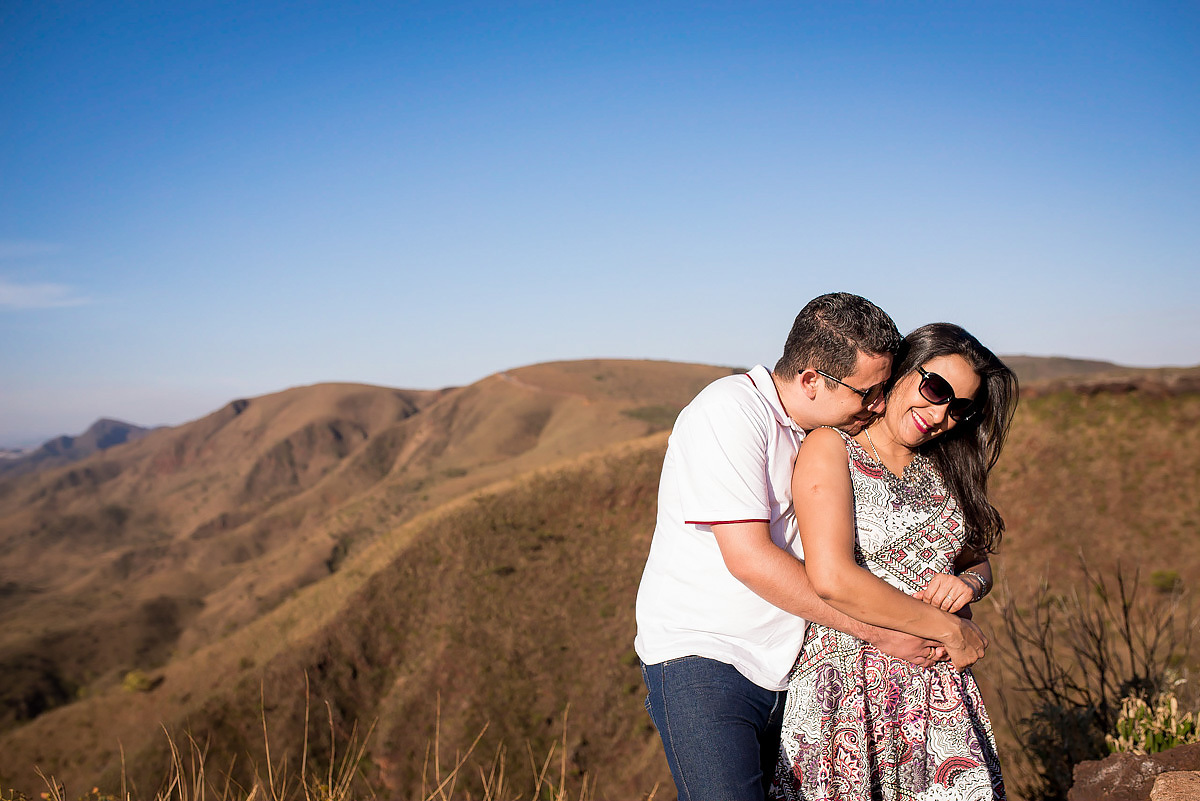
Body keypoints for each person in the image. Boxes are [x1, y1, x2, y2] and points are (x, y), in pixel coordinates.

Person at [635, 294, 981, 801]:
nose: (877, 404)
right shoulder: (730, 411)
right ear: (812, 380)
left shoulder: (821, 433)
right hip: (707, 661)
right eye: (868, 391)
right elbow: (750, 559)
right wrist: (882, 631)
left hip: (788, 669)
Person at [771, 322, 1019, 801]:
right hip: (850, 684)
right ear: (904, 370)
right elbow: (832, 578)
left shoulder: (947, 464)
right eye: (935, 389)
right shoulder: (831, 447)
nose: (940, 414)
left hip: (939, 689)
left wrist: (971, 584)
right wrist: (950, 629)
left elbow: (977, 561)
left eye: (959, 408)